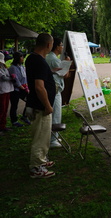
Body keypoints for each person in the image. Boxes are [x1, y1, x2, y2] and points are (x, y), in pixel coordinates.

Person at [26, 33, 56, 178]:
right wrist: (48, 105)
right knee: (41, 137)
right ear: (48, 45)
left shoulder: (32, 58)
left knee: (41, 135)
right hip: (41, 106)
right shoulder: (38, 61)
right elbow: (39, 87)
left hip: (36, 104)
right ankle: (36, 167)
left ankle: (42, 160)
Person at [46, 38, 70, 148]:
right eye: (61, 45)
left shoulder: (49, 57)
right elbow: (65, 75)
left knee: (54, 114)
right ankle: (53, 140)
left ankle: (53, 137)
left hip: (52, 89)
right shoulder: (54, 59)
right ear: (56, 47)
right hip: (55, 90)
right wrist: (67, 63)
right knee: (56, 114)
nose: (62, 47)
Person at [8, 52, 30, 127]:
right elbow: (15, 80)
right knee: (14, 105)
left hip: (23, 88)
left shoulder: (22, 67)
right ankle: (14, 121)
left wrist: (26, 86)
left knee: (29, 100)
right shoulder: (13, 68)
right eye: (21, 57)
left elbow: (25, 78)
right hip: (16, 89)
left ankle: (24, 116)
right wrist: (22, 88)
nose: (22, 58)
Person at [0, 52, 15, 133]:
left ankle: (3, 125)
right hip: (1, 91)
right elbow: (3, 78)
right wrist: (11, 78)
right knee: (1, 109)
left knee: (5, 109)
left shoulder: (4, 67)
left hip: (7, 89)